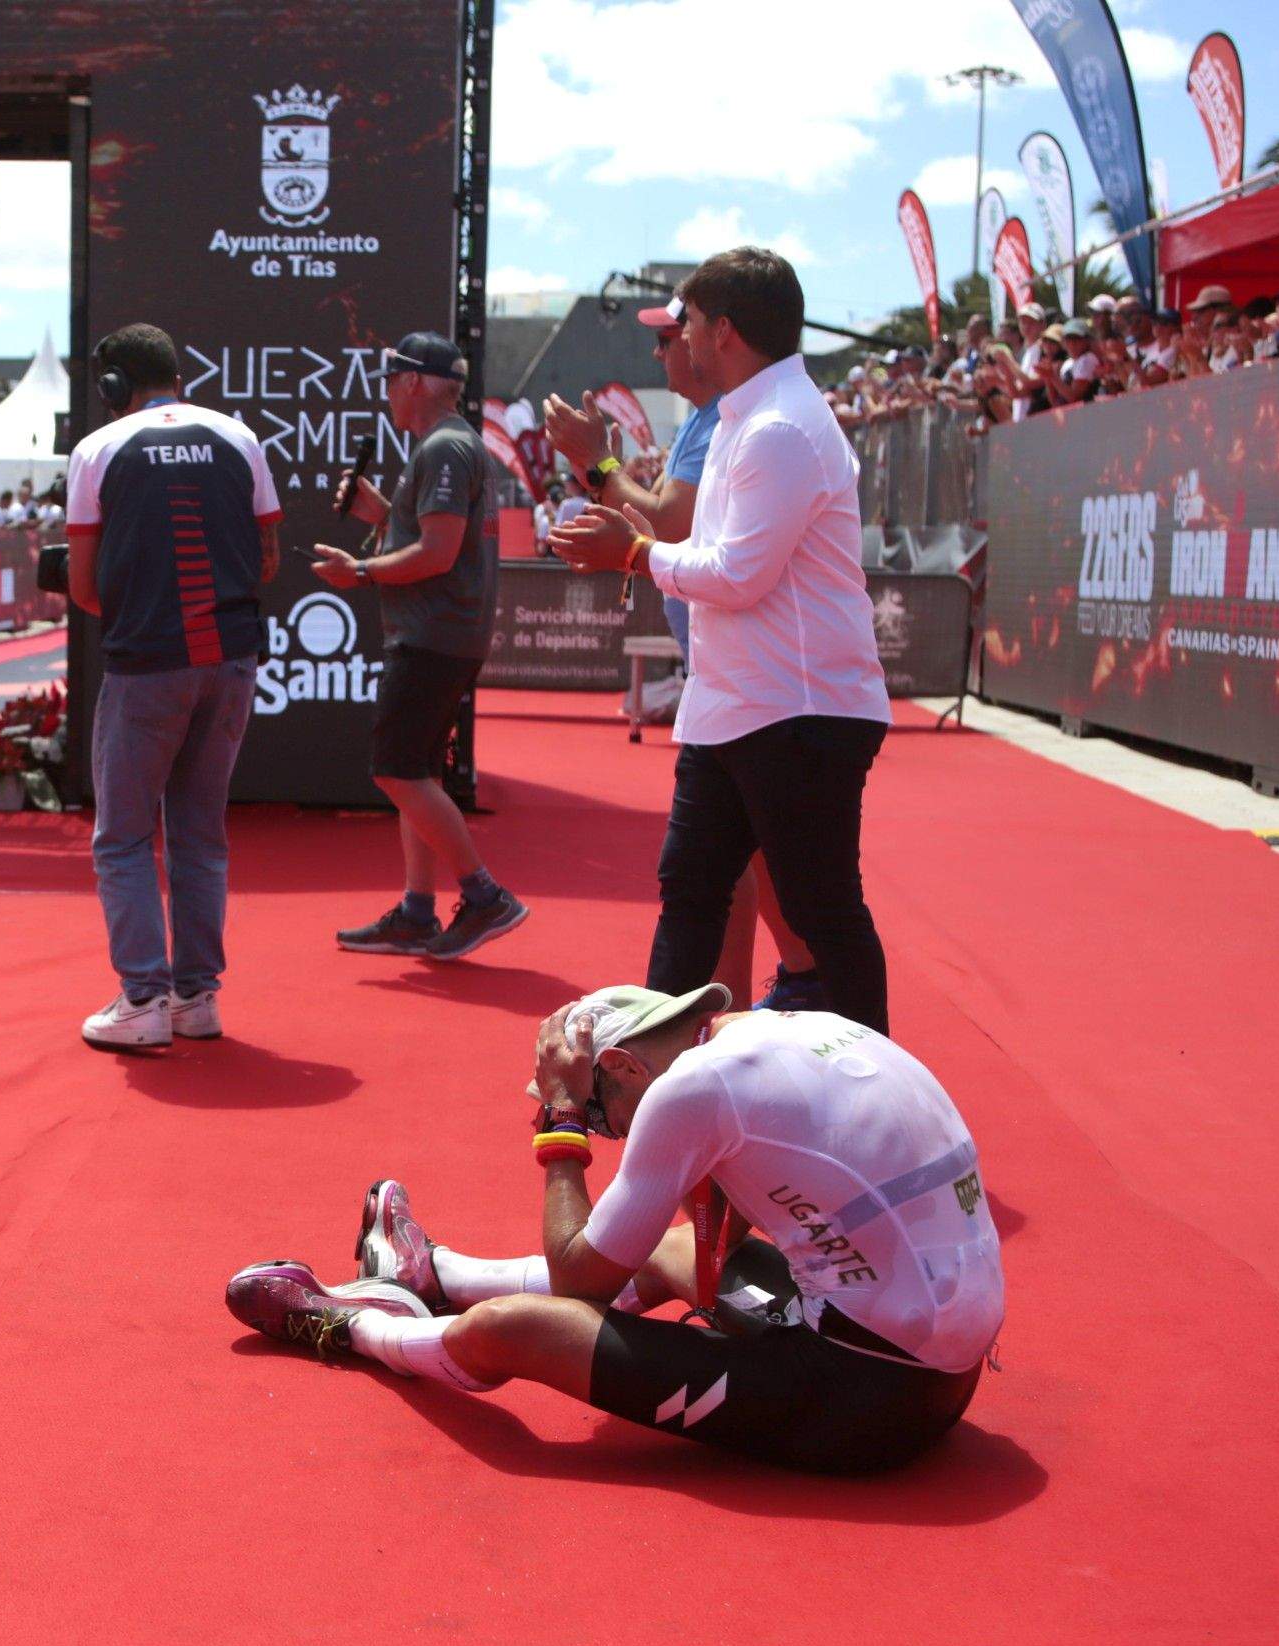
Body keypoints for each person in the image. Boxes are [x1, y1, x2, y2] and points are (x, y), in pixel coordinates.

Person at [224, 983, 1004, 1472]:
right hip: (938, 1369)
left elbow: (577, 1278)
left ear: (626, 1066)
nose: (607, 1132)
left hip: (866, 1397)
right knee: (668, 1247)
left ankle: (345, 1323)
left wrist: (558, 1125)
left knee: (518, 1329)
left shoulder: (691, 1091)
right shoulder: (788, 1030)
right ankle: (437, 1274)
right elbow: (710, 1253)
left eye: (600, 1112)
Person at [548, 248, 894, 1034]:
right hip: (743, 706)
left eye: (690, 324)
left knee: (818, 906)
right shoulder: (750, 419)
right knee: (692, 890)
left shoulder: (778, 428)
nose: (679, 338)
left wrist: (631, 552)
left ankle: (882, 1095)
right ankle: (652, 1088)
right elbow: (705, 547)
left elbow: (739, 574)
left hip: (798, 713)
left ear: (726, 332)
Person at [65, 324, 282, 1049]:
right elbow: (268, 559)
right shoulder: (240, 438)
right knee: (200, 831)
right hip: (231, 660)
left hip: (147, 664)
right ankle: (197, 997)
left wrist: (148, 610)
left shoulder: (97, 450)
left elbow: (82, 585)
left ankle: (142, 998)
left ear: (114, 386)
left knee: (123, 837)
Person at [314, 330, 526, 961]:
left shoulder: (443, 447)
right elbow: (438, 541)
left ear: (412, 382)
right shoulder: (453, 446)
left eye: (389, 380)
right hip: (444, 633)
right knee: (417, 773)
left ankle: (484, 896)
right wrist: (382, 517)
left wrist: (358, 570)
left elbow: (435, 555)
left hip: (432, 635)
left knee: (396, 770)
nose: (385, 394)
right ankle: (415, 912)